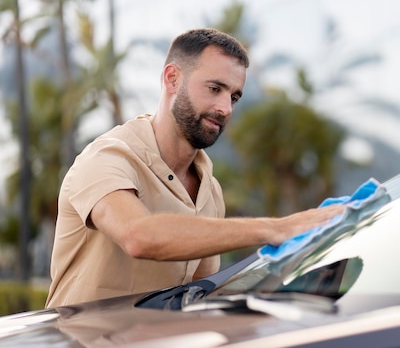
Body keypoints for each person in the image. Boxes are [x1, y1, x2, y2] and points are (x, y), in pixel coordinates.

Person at [45, 28, 343, 307]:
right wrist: (278, 228)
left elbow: (198, 298)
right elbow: (139, 236)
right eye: (215, 88)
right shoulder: (106, 158)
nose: (226, 108)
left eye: (234, 97)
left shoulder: (209, 191)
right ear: (172, 79)